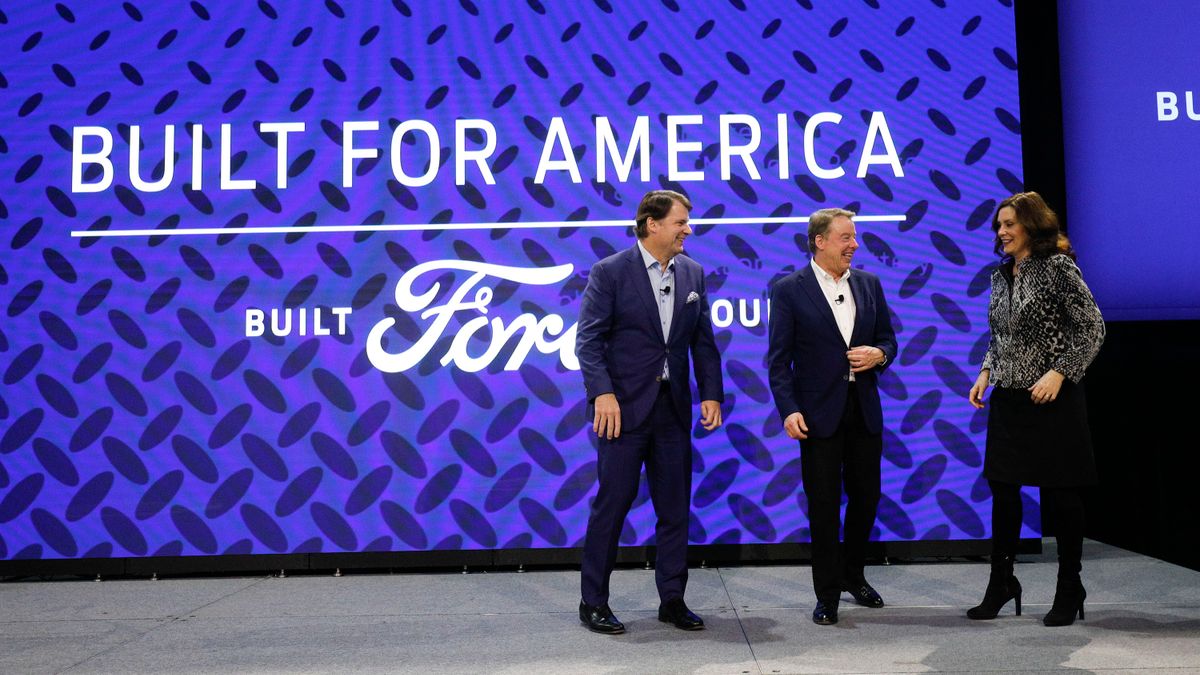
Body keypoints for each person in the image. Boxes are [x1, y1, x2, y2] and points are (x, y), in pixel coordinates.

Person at [575, 189, 724, 634]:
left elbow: (703, 342)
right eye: (680, 222)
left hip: (673, 409)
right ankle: (593, 602)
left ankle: (672, 599)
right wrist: (602, 394)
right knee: (613, 505)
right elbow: (589, 341)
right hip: (621, 411)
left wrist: (711, 393)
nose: (688, 230)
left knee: (675, 508)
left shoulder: (693, 272)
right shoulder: (610, 272)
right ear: (651, 224)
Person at [967, 191, 1105, 627]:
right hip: (1008, 398)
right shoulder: (1000, 274)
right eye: (999, 226)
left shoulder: (1058, 267)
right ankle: (1002, 582)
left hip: (1052, 399)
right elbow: (1001, 335)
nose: (1002, 232)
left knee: (1062, 494)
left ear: (1031, 225)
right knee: (1004, 492)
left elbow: (1092, 326)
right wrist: (986, 371)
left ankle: (1070, 586)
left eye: (1009, 224)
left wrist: (1060, 372)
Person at [766, 208, 897, 626]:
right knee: (823, 507)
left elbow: (888, 339)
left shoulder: (869, 284)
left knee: (866, 498)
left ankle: (853, 576)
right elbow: (778, 361)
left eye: (854, 237)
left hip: (864, 412)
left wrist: (880, 355)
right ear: (820, 241)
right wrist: (789, 409)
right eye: (845, 237)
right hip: (817, 416)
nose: (854, 245)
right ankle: (827, 594)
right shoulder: (789, 289)